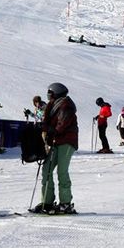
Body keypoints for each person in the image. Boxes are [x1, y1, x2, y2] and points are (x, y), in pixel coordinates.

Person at [34, 82, 78, 214]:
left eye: (50, 92)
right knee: (47, 169)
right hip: (55, 141)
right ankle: (47, 201)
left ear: (55, 93)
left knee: (62, 171)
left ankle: (66, 203)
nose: (48, 95)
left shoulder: (66, 106)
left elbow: (62, 124)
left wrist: (51, 131)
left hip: (66, 141)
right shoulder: (53, 105)